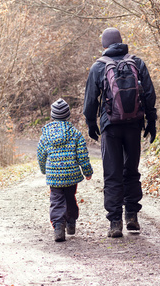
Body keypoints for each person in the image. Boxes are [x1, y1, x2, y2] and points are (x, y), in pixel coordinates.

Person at [83, 27, 157, 238]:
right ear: (121, 42)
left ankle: (115, 222)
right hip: (134, 124)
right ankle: (132, 216)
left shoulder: (98, 66)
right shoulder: (137, 62)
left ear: (105, 45)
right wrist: (151, 122)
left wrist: (91, 123)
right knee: (131, 171)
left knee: (112, 173)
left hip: (110, 127)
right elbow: (149, 95)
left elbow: (90, 100)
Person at [37, 98, 93, 242]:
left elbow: (41, 155)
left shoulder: (46, 135)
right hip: (71, 175)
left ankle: (58, 227)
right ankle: (71, 222)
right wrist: (87, 171)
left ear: (52, 115)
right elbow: (82, 155)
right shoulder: (75, 134)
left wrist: (44, 170)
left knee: (56, 200)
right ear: (68, 115)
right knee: (70, 197)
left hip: (54, 175)